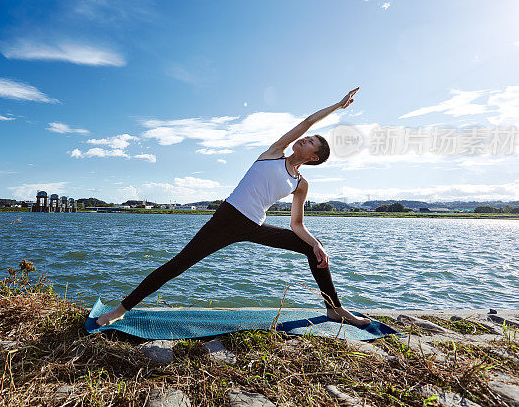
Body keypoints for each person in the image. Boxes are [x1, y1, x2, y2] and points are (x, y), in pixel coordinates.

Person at [96, 87, 370, 328]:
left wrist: (316, 244)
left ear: (312, 157)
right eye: (307, 137)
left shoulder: (300, 184)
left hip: (255, 226)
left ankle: (334, 309)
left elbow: (296, 225)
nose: (304, 138)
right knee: (179, 264)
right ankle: (120, 310)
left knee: (313, 248)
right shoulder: (273, 153)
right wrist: (338, 105)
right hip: (226, 219)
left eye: (310, 142)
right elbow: (307, 121)